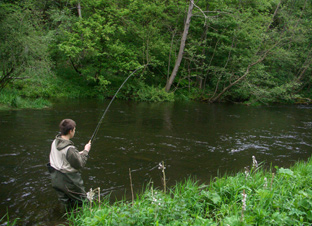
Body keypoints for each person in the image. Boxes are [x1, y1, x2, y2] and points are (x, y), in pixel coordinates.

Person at [47, 119, 91, 208]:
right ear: (71, 131)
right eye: (74, 130)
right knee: (83, 202)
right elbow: (80, 164)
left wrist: (78, 153)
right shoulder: (70, 149)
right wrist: (86, 151)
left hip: (55, 177)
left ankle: (62, 220)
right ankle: (82, 220)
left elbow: (62, 156)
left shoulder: (55, 142)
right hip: (69, 180)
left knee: (65, 203)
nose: (75, 132)